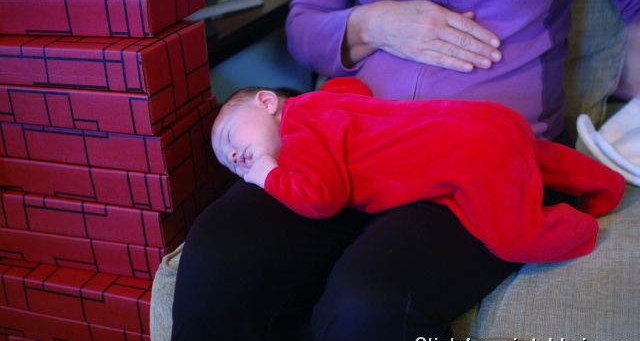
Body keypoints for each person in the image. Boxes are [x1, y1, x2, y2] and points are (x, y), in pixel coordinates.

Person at [171, 0, 640, 341]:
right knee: (220, 258)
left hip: (479, 157)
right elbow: (303, 30)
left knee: (369, 303)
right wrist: (369, 24)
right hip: (345, 144)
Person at [211, 77, 625, 263]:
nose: (234, 156)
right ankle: (607, 182)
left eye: (230, 136)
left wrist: (267, 173)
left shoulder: (299, 135)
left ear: (267, 101)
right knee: (535, 156)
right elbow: (351, 88)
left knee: (515, 239)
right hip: (484, 117)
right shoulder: (320, 102)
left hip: (472, 155)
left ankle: (581, 229)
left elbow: (319, 198)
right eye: (227, 161)